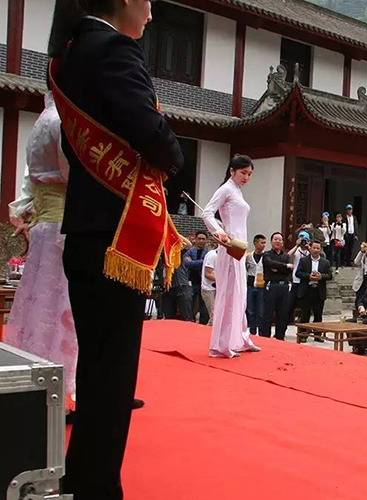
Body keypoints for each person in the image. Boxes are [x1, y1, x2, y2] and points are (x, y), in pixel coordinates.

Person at [49, 0, 186, 496]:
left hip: (86, 232)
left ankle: (81, 475)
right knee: (112, 377)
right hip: (117, 237)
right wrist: (174, 153)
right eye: (147, 2)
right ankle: (96, 487)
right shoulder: (114, 50)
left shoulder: (69, 55)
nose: (150, 12)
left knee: (97, 367)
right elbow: (152, 134)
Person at [5, 92, 77, 413]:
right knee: (61, 308)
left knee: (39, 307)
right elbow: (72, 176)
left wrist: (27, 213)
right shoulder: (62, 120)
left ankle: (33, 377)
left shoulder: (41, 120)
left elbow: (31, 182)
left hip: (46, 226)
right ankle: (59, 388)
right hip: (64, 225)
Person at [201, 155, 260, 358]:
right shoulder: (226, 189)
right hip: (229, 247)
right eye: (243, 173)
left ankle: (242, 339)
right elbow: (207, 213)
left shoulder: (237, 192)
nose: (246, 177)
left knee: (241, 294)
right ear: (232, 171)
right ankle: (221, 345)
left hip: (239, 248)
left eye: (249, 174)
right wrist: (219, 231)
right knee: (228, 294)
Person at [260, 232, 293, 340]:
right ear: (271, 241)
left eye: (280, 240)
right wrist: (284, 266)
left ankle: (280, 337)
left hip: (284, 287)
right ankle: (265, 338)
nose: (278, 241)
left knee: (283, 315)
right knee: (268, 314)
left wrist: (279, 268)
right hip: (271, 286)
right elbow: (270, 264)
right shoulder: (267, 254)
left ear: (283, 242)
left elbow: (288, 271)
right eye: (275, 239)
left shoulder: (286, 256)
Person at [295, 240, 333, 325]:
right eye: (314, 248)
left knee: (318, 315)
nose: (316, 250)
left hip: (319, 291)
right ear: (310, 248)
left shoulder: (325, 262)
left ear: (321, 250)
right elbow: (298, 273)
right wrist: (308, 276)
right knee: (305, 314)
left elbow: (330, 275)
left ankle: (317, 335)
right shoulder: (304, 260)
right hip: (306, 290)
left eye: (318, 248)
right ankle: (303, 335)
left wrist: (321, 276)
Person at [184, 230, 211, 323]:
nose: (201, 241)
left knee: (204, 309)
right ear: (195, 239)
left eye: (203, 239)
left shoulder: (209, 253)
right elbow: (187, 263)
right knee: (189, 306)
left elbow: (191, 263)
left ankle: (203, 326)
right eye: (199, 238)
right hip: (191, 282)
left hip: (205, 283)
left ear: (206, 240)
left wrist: (193, 263)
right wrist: (202, 262)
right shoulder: (190, 251)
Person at [245, 234, 266, 335]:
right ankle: (252, 332)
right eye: (262, 243)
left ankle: (261, 333)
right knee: (251, 311)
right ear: (255, 243)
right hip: (250, 285)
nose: (263, 245)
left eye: (264, 243)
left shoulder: (266, 256)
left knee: (261, 312)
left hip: (261, 286)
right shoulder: (248, 256)